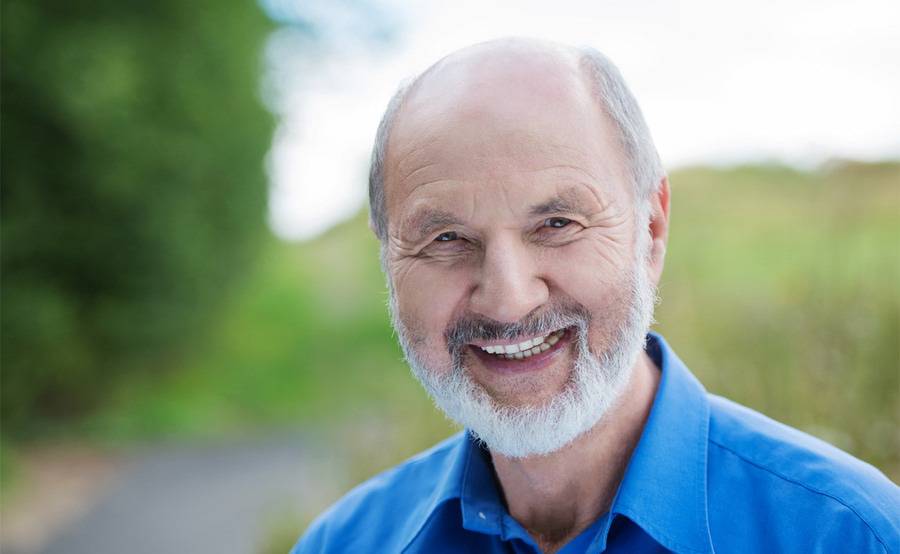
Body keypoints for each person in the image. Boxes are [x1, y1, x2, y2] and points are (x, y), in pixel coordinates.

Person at [292, 38, 899, 553]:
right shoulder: (344, 542)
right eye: (447, 238)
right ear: (388, 259)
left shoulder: (851, 534)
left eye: (557, 225)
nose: (508, 301)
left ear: (651, 230)